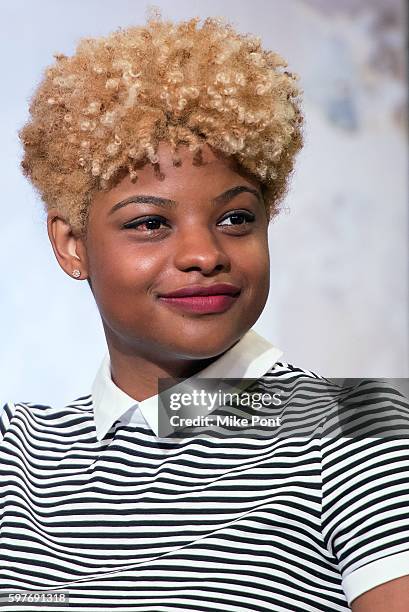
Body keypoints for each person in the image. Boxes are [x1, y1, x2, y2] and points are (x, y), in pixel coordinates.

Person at [1, 12, 409, 612]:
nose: (203, 254)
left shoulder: (359, 432)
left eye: (236, 218)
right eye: (150, 223)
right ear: (72, 245)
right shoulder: (19, 454)